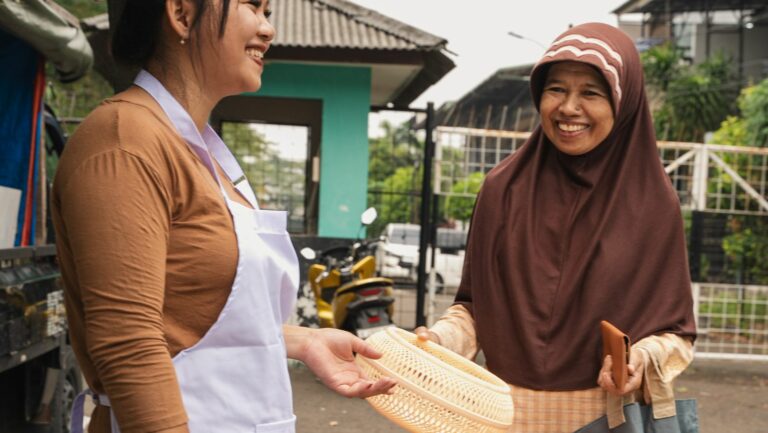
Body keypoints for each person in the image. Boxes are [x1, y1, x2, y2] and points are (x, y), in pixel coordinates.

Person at [51, 1, 395, 432]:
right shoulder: (124, 141)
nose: (268, 30)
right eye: (253, 5)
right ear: (181, 13)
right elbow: (129, 345)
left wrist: (305, 341)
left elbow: (186, 317)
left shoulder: (202, 153)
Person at [416, 23, 697, 432]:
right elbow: (475, 310)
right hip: (500, 414)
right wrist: (439, 341)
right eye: (556, 89)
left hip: (604, 418)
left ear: (624, 104)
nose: (568, 108)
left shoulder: (652, 205)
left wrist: (639, 358)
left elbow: (675, 335)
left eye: (591, 93)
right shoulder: (502, 189)